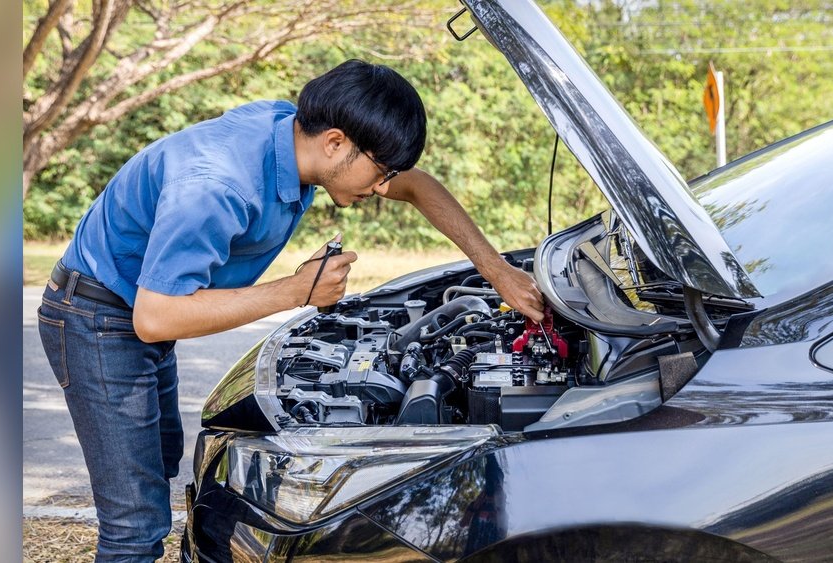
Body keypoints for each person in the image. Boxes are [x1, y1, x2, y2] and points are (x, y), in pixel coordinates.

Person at [36, 59, 544, 561]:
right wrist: (297, 290)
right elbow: (156, 317)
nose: (382, 186)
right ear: (336, 142)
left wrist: (495, 270)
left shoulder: (291, 131)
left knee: (158, 468)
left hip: (130, 310)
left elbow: (415, 184)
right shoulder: (218, 187)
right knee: (134, 525)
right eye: (381, 171)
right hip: (97, 318)